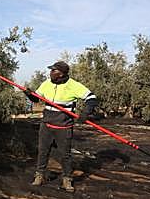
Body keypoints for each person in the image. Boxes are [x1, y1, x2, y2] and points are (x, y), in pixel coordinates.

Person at [23, 61, 98, 192]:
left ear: (61, 74)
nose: (50, 72)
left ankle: (67, 180)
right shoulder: (46, 83)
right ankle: (39, 175)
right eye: (51, 70)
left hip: (63, 127)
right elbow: (36, 99)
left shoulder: (74, 85)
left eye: (53, 71)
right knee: (43, 151)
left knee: (65, 155)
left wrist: (85, 113)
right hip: (46, 124)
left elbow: (92, 98)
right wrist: (29, 94)